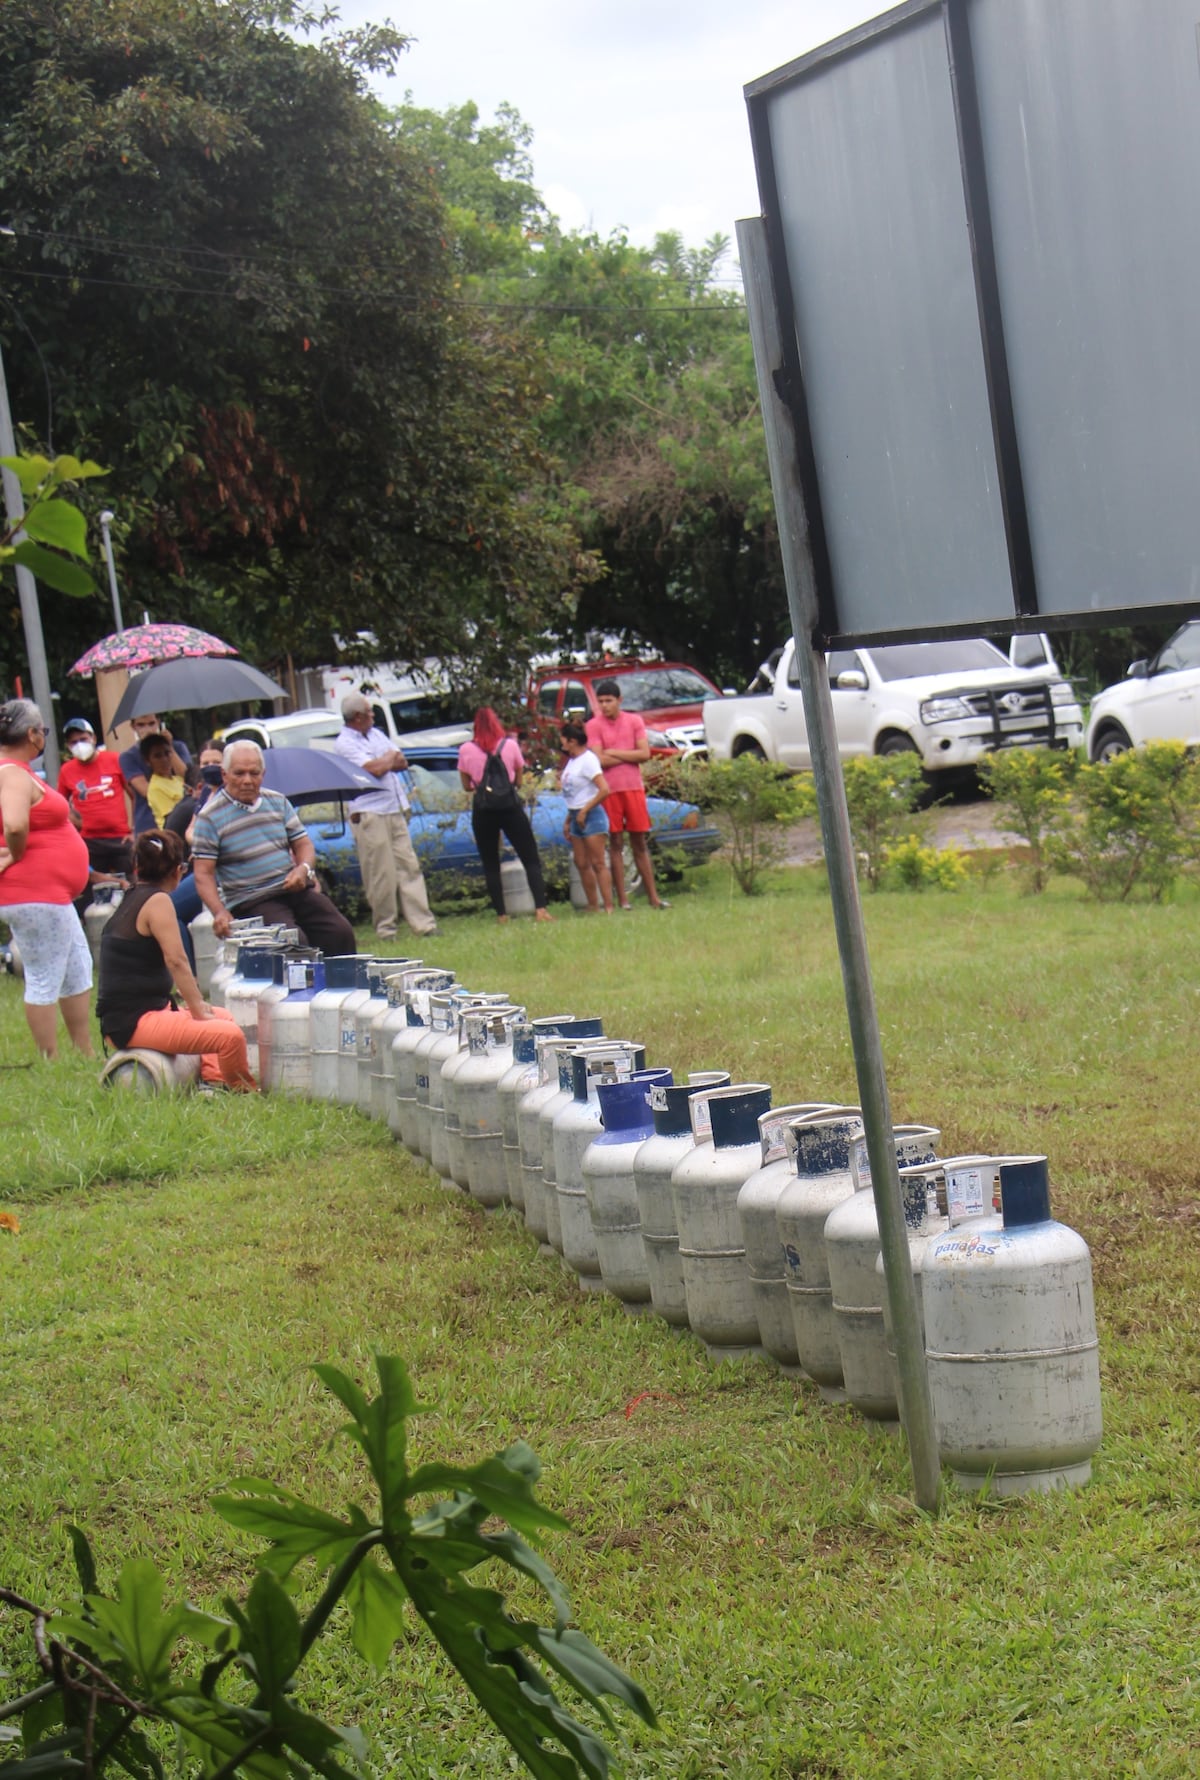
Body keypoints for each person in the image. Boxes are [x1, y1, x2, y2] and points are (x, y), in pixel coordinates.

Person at [95, 828, 256, 1090]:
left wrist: (199, 1008)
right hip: (133, 1022)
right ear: (178, 870)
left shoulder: (134, 895)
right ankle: (244, 1092)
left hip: (133, 1015)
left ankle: (214, 1083)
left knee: (223, 1016)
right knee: (230, 1037)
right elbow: (177, 960)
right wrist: (196, 1007)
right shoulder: (158, 901)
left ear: (137, 866)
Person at [191, 740, 356, 953]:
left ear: (263, 774)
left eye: (254, 773)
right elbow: (203, 873)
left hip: (292, 888)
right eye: (239, 773)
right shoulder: (210, 817)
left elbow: (303, 844)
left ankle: (341, 974)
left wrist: (303, 869)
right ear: (225, 774)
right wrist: (219, 912)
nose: (247, 780)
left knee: (339, 931)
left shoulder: (277, 802)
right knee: (293, 942)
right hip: (252, 899)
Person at [0, 698, 95, 1058]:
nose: (44, 737)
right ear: (31, 734)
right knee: (44, 975)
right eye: (44, 731)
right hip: (33, 892)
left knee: (77, 967)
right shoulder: (11, 773)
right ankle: (49, 1058)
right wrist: (16, 852)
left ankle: (83, 1051)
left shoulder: (17, 772)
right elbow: (14, 824)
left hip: (50, 894)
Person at [334, 692, 436, 940]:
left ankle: (424, 924)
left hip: (394, 807)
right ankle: (386, 928)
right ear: (357, 717)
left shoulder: (376, 734)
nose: (373, 715)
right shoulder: (345, 743)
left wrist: (385, 760)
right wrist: (387, 758)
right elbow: (375, 769)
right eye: (369, 711)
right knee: (381, 873)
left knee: (409, 866)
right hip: (370, 812)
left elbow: (401, 761)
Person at [458, 707, 553, 925]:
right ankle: (540, 909)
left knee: (490, 862)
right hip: (510, 807)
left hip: (484, 809)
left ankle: (501, 914)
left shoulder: (465, 749)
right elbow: (518, 781)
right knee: (529, 856)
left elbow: (466, 786)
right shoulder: (509, 745)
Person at [585, 678, 669, 911]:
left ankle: (653, 897)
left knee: (639, 842)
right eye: (601, 701)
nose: (604, 706)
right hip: (609, 790)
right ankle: (623, 899)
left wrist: (614, 752)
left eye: (609, 701)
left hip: (633, 788)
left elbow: (644, 754)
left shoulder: (634, 721)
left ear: (619, 700)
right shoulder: (593, 725)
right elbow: (599, 760)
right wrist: (627, 754)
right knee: (615, 842)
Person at [56, 717, 132, 912]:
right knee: (93, 897)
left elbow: (134, 795)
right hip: (89, 842)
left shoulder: (114, 760)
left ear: (93, 738)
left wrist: (134, 829)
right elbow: (59, 806)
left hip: (120, 838)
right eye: (73, 742)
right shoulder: (67, 771)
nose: (79, 745)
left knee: (131, 889)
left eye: (83, 739)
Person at [558, 721, 613, 914]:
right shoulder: (572, 761)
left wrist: (585, 810)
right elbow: (574, 794)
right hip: (575, 814)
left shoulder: (588, 760)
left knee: (598, 862)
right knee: (581, 862)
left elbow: (604, 789)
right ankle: (593, 904)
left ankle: (608, 905)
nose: (561, 743)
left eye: (563, 739)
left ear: (572, 741)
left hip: (591, 814)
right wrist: (569, 819)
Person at [117, 714, 191, 835]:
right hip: (148, 824)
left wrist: (169, 747)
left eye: (151, 723)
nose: (147, 729)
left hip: (184, 822)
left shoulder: (178, 747)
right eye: (141, 725)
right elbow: (145, 790)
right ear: (133, 726)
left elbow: (188, 776)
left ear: (158, 722)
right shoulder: (128, 757)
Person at [139, 732, 187, 827]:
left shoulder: (178, 780)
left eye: (167, 753)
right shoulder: (155, 788)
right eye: (158, 756)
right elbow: (173, 819)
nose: (164, 759)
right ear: (148, 761)